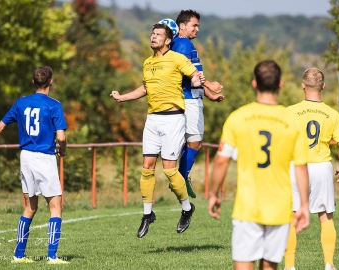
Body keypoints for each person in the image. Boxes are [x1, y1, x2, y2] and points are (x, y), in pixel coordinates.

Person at [208, 60, 310, 270]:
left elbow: (220, 159)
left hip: (248, 207)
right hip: (280, 209)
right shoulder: (292, 122)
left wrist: (214, 194)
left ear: (254, 84)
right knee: (270, 266)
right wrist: (304, 206)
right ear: (280, 85)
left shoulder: (238, 118)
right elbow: (300, 167)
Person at [110, 23, 205, 238]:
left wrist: (200, 81)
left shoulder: (178, 58)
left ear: (168, 40)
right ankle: (147, 214)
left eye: (158, 35)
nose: (153, 37)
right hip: (152, 119)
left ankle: (187, 208)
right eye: (152, 34)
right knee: (146, 167)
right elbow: (145, 88)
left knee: (170, 171)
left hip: (173, 119)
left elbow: (194, 75)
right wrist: (122, 97)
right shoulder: (147, 62)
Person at [0, 66, 69, 264]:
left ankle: (19, 255)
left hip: (26, 157)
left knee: (30, 207)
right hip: (44, 158)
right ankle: (52, 256)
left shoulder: (21, 103)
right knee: (55, 207)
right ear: (51, 82)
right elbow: (61, 136)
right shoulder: (54, 105)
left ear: (33, 82)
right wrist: (62, 148)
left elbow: (0, 126)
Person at [284, 68, 339, 270]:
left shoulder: (289, 111)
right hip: (321, 167)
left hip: (297, 166)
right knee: (326, 218)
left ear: (303, 85)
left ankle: (290, 266)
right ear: (323, 86)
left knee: (291, 217)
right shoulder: (332, 113)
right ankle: (329, 264)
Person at [171, 10, 224, 198]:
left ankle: (180, 176)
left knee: (191, 141)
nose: (197, 29)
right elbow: (186, 69)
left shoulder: (180, 43)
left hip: (190, 97)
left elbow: (193, 77)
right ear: (182, 26)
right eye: (194, 25)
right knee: (194, 141)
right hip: (189, 101)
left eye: (198, 25)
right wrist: (209, 84)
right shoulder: (184, 43)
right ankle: (181, 176)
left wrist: (208, 94)